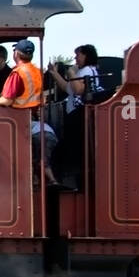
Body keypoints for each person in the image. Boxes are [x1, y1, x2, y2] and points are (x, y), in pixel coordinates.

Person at [45, 44, 102, 189]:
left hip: (81, 116)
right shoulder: (82, 71)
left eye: (78, 55)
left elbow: (78, 90)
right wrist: (54, 73)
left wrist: (71, 72)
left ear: (86, 55)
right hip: (74, 116)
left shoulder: (88, 70)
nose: (75, 58)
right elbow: (67, 88)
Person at [0, 39, 43, 109]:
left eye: (14, 50)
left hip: (18, 113)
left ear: (16, 54)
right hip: (33, 112)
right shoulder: (38, 72)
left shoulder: (18, 73)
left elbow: (7, 101)